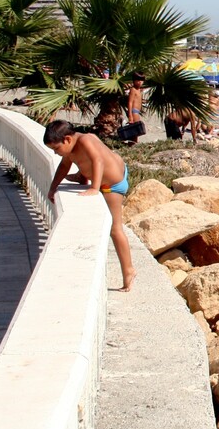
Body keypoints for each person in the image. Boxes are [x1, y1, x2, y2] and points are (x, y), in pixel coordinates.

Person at [43, 120, 136, 291]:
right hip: (113, 169)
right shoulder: (73, 145)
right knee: (76, 162)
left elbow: (97, 160)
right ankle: (81, 176)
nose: (56, 153)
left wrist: (95, 188)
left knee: (115, 229)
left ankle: (129, 270)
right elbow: (64, 167)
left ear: (67, 140)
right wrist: (52, 189)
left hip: (112, 185)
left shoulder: (85, 140)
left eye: (56, 149)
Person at [125, 72, 145, 144]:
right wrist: (130, 116)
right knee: (135, 131)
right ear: (134, 80)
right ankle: (132, 144)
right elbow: (130, 102)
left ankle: (133, 143)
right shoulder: (133, 90)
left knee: (136, 130)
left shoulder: (139, 90)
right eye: (138, 80)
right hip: (134, 112)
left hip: (137, 112)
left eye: (141, 80)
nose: (140, 82)